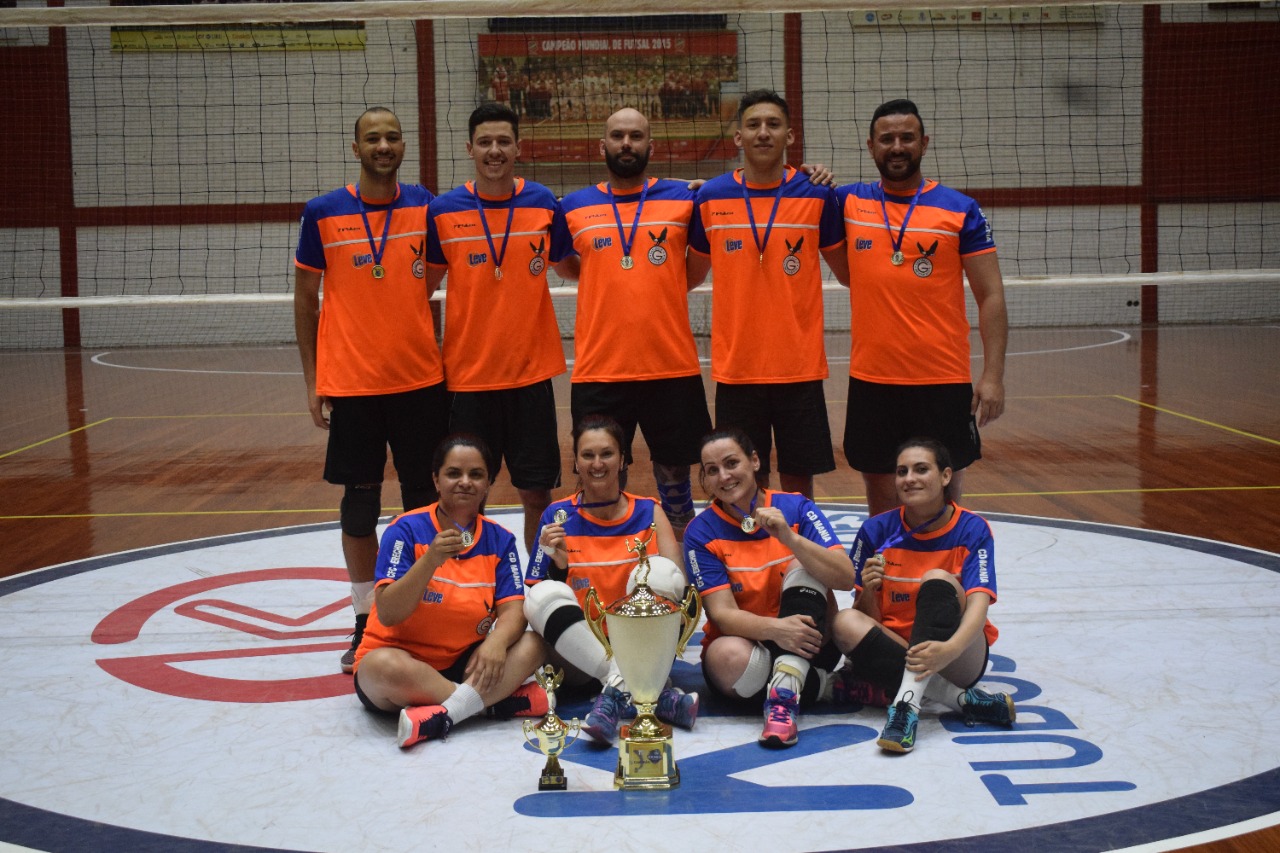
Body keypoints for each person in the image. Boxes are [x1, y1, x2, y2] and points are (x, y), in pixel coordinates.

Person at [293, 106, 451, 674]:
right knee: (359, 507)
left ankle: (425, 613)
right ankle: (366, 620)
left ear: (403, 145)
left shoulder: (427, 206)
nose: (384, 146)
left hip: (420, 382)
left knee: (422, 506)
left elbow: (433, 278)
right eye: (373, 138)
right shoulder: (322, 213)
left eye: (393, 137)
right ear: (355, 147)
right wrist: (313, 380)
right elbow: (305, 300)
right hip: (353, 386)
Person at [835, 98, 1008, 517]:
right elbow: (787, 193)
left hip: (942, 378)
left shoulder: (960, 209)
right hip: (873, 378)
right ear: (871, 146)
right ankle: (886, 559)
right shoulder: (846, 202)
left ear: (924, 143)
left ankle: (944, 560)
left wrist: (993, 376)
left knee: (943, 492)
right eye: (886, 139)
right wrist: (695, 189)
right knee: (880, 492)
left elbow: (991, 294)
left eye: (907, 138)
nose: (897, 147)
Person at [552, 108, 713, 540]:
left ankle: (682, 559)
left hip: (670, 365)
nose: (627, 143)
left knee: (676, 475)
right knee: (600, 476)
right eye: (618, 135)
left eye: (636, 136)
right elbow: (566, 265)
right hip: (600, 369)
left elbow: (694, 271)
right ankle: (603, 558)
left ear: (651, 146)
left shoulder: (685, 199)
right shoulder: (572, 206)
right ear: (602, 146)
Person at [687, 89, 850, 501]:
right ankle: (748, 542)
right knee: (740, 480)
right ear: (738, 136)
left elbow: (850, 272)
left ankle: (796, 541)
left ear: (789, 136)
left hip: (799, 367)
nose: (763, 132)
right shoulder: (710, 197)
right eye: (754, 125)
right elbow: (687, 276)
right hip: (737, 369)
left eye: (773, 125)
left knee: (799, 480)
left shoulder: (816, 195)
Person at [425, 102, 567, 554]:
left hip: (530, 376)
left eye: (504, 141)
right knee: (466, 499)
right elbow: (422, 287)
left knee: (537, 495)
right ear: (469, 148)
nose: (494, 150)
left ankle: (540, 585)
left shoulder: (543, 203)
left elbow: (570, 265)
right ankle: (472, 587)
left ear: (518, 147)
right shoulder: (443, 211)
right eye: (485, 142)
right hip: (469, 380)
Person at [351, 434, 549, 749]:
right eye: (454, 473)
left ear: (488, 483)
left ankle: (443, 713)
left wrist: (496, 643)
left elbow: (513, 610)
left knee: (535, 642)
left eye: (476, 474)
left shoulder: (499, 539)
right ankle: (490, 704)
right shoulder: (405, 529)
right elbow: (388, 613)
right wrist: (429, 560)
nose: (465, 482)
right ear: (436, 480)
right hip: (404, 663)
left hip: (464, 662)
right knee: (381, 667)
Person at [523, 414, 699, 745]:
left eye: (606, 453)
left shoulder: (649, 512)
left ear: (622, 459)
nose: (597, 463)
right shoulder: (556, 516)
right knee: (541, 595)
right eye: (587, 455)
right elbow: (534, 599)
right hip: (580, 654)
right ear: (576, 462)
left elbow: (682, 593)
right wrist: (558, 568)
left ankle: (616, 693)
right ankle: (645, 692)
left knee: (662, 573)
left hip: (643, 647)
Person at [831, 437, 1015, 753]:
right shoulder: (876, 530)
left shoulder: (971, 529)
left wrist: (949, 649)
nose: (909, 478)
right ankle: (959, 700)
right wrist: (870, 591)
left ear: (945, 476)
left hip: (956, 655)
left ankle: (905, 707)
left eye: (921, 469)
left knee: (938, 579)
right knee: (844, 620)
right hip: (897, 652)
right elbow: (867, 620)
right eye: (902, 471)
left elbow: (979, 606)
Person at [683, 428, 855, 749]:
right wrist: (777, 629)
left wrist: (790, 538)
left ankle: (783, 699)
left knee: (804, 562)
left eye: (731, 463)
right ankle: (823, 687)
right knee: (725, 657)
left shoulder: (796, 508)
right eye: (712, 470)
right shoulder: (701, 531)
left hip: (810, 640)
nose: (724, 476)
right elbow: (722, 615)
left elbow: (845, 577)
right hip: (753, 648)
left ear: (754, 461)